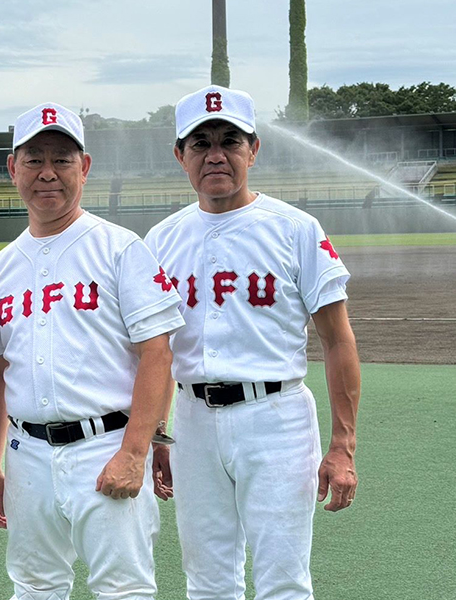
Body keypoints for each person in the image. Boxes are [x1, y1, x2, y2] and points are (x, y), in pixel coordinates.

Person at [143, 84, 361, 600]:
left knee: (283, 581)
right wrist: (157, 431)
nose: (215, 154)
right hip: (194, 423)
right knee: (207, 581)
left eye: (230, 141)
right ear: (180, 155)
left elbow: (337, 340)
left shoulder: (296, 229)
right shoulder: (161, 239)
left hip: (277, 417)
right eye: (200, 143)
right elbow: (158, 350)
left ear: (253, 149)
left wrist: (343, 446)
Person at [0, 103, 184, 600]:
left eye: (62, 159)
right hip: (27, 454)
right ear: (13, 169)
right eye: (33, 159)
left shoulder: (120, 248)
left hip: (105, 444)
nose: (47, 172)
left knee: (123, 590)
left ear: (84, 167)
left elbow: (158, 355)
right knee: (33, 587)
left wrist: (136, 451)